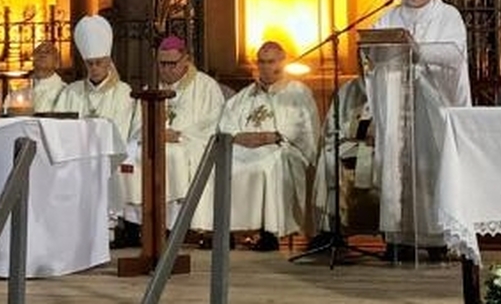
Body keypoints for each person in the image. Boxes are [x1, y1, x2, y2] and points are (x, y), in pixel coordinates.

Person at [370, 0, 472, 260]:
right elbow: (373, 47)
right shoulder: (391, 17)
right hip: (398, 100)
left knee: (431, 166)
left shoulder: (447, 15)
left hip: (433, 102)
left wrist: (417, 49)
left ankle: (437, 239)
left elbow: (454, 54)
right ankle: (398, 238)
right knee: (398, 166)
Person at [195, 41, 319, 251]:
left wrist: (272, 136)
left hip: (281, 148)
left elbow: (302, 127)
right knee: (221, 166)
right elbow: (227, 122)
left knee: (267, 166)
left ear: (282, 62)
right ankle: (225, 232)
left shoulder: (297, 92)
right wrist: (237, 137)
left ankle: (268, 232)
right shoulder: (246, 94)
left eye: (270, 62)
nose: (264, 67)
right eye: (261, 62)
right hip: (244, 148)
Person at [54, 14, 142, 247]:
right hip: (77, 154)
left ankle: (116, 228)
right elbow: (60, 125)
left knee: (114, 167)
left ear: (108, 62)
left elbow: (129, 129)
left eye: (99, 63)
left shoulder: (124, 92)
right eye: (90, 63)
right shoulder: (71, 92)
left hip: (112, 153)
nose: (94, 68)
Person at [156, 35, 225, 229]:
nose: (166, 70)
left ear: (186, 60)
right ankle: (149, 225)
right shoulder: (152, 88)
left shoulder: (206, 87)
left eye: (172, 64)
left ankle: (183, 225)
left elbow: (216, 125)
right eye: (162, 64)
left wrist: (179, 136)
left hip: (193, 145)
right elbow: (138, 125)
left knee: (175, 155)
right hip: (161, 144)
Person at [310, 77, 380, 241]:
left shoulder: (393, 85)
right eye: (361, 58)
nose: (365, 65)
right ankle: (331, 230)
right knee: (328, 159)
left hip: (383, 147)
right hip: (352, 144)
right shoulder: (348, 89)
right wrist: (347, 135)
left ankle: (391, 235)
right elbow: (332, 126)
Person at [3, 41, 66, 113]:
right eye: (38, 52)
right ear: (33, 61)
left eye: (48, 52)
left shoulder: (64, 92)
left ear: (57, 63)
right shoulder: (18, 92)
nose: (42, 54)